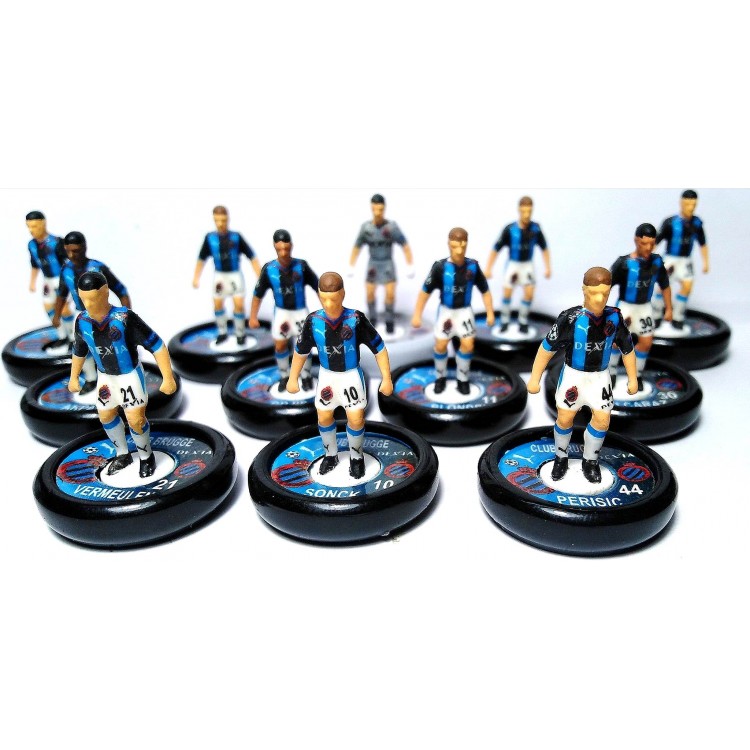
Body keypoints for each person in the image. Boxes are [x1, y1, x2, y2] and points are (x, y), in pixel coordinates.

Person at [527, 267, 637, 484]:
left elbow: (628, 349)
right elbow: (546, 348)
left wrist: (633, 378)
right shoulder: (570, 318)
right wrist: (534, 378)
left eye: (605, 294)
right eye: (594, 293)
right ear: (584, 290)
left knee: (602, 420)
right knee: (565, 418)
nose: (600, 299)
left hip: (599, 378)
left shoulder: (614, 318)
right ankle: (561, 458)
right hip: (573, 377)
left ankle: (590, 460)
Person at [68, 271, 177, 478]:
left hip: (129, 376)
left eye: (92, 299)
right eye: (83, 299)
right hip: (105, 378)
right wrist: (74, 377)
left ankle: (146, 457)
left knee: (135, 419)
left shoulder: (125, 318)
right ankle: (122, 454)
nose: (87, 305)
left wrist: (168, 377)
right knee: (106, 415)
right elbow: (79, 350)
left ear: (105, 293)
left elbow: (157, 345)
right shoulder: (82, 321)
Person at [287, 272, 392, 480]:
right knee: (324, 416)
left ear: (342, 294)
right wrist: (292, 378)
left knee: (356, 418)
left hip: (351, 376)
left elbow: (379, 348)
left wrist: (386, 377)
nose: (328, 304)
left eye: (333, 299)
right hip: (327, 377)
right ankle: (330, 455)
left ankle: (356, 458)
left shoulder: (356, 319)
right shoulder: (313, 321)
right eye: (324, 299)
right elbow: (300, 351)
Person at [411, 227, 495, 395]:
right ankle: (440, 377)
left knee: (468, 345)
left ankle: (462, 379)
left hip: (464, 313)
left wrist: (490, 312)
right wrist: (417, 314)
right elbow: (425, 292)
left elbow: (485, 290)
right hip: (446, 313)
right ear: (449, 244)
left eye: (463, 245)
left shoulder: (473, 266)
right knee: (441, 345)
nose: (460, 250)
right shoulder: (440, 267)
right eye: (456, 245)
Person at [52, 231, 132, 394]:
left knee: (111, 347)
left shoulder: (98, 268)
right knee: (81, 348)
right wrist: (56, 314)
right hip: (82, 316)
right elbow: (61, 294)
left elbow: (121, 291)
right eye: (68, 251)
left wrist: (126, 317)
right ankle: (90, 378)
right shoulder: (66, 271)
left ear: (84, 248)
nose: (72, 255)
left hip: (105, 316)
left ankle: (117, 376)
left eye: (76, 251)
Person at [248, 229, 319, 391]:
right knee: (280, 345)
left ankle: (306, 375)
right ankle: (284, 375)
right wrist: (253, 317)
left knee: (304, 345)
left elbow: (318, 287)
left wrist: (327, 310)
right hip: (282, 313)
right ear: (275, 247)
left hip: (300, 313)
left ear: (291, 246)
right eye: (280, 249)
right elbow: (258, 294)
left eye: (286, 249)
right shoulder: (269, 269)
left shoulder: (301, 266)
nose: (284, 253)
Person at [609, 223, 672, 389]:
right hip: (625, 307)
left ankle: (636, 374)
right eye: (644, 243)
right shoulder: (624, 263)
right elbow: (606, 286)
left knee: (646, 343)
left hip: (644, 308)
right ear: (636, 241)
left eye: (652, 244)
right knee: (616, 341)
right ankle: (611, 370)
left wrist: (669, 308)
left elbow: (665, 285)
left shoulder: (657, 262)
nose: (648, 248)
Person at [192, 205, 261, 345]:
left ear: (227, 219)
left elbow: (251, 256)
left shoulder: (236, 237)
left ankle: (240, 334)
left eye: (223, 220)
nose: (220, 224)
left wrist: (260, 276)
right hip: (220, 277)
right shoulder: (210, 238)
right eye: (217, 220)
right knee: (218, 304)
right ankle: (222, 332)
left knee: (239, 305)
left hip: (235, 276)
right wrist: (196, 277)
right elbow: (201, 258)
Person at [483, 196, 551, 333]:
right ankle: (504, 321)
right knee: (507, 293)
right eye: (524, 211)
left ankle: (523, 321)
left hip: (527, 266)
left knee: (529, 294)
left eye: (529, 211)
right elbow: (496, 248)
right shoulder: (510, 229)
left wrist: (548, 267)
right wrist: (488, 268)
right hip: (513, 266)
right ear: (519, 210)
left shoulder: (536, 229)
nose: (526, 215)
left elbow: (544, 248)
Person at [348, 193, 414, 333]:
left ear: (384, 209)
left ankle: (389, 322)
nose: (378, 212)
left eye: (381, 209)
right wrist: (351, 265)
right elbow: (357, 247)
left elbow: (405, 245)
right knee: (370, 293)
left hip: (387, 263)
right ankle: (372, 320)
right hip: (373, 264)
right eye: (375, 209)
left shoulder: (391, 227)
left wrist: (409, 265)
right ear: (371, 208)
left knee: (390, 294)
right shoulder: (366, 228)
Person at [653, 190, 710, 329]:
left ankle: (678, 316)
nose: (691, 208)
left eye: (693, 205)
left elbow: (703, 243)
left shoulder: (697, 223)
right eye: (687, 204)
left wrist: (706, 262)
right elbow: (656, 241)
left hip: (685, 261)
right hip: (670, 259)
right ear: (681, 203)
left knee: (687, 286)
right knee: (662, 286)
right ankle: (656, 315)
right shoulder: (670, 222)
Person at [25, 210, 75, 343]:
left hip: (61, 280)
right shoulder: (31, 245)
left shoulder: (57, 242)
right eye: (28, 226)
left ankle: (73, 338)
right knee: (48, 307)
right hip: (47, 281)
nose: (31, 230)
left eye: (34, 226)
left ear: (43, 224)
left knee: (63, 308)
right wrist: (32, 282)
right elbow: (34, 263)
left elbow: (69, 264)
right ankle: (62, 335)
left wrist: (71, 282)